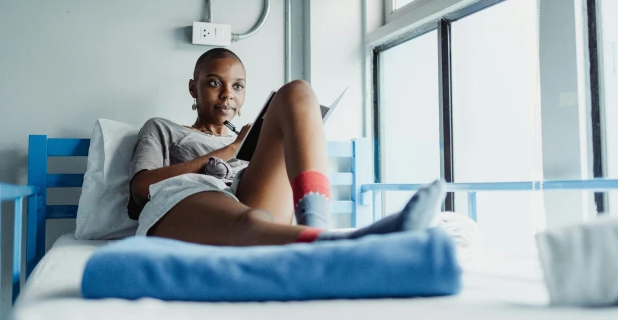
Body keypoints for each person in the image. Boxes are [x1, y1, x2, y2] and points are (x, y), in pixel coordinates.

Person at [128, 48, 445, 246]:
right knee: (251, 221)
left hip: (247, 195)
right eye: (214, 83)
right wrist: (231, 149)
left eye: (237, 86)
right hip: (185, 201)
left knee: (297, 91)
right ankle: (339, 245)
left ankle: (316, 229)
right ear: (193, 88)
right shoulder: (162, 128)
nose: (228, 94)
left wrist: (248, 147)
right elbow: (141, 188)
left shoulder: (248, 137)